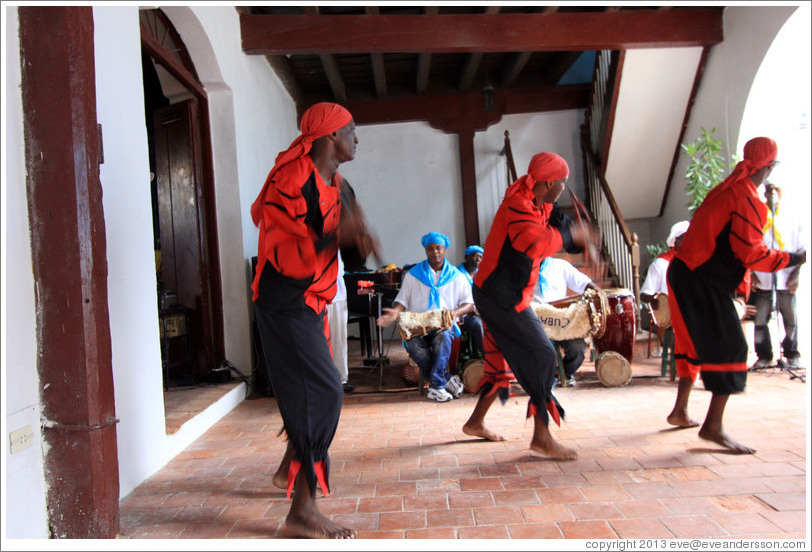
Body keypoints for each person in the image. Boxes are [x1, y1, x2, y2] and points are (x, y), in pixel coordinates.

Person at [250, 102, 376, 539]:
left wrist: (358, 238)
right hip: (284, 300)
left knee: (310, 391)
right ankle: (301, 511)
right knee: (325, 391)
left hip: (314, 301)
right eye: (351, 131)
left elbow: (349, 255)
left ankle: (291, 466)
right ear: (329, 137)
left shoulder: (341, 187)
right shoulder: (290, 181)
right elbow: (288, 258)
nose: (356, 138)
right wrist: (335, 237)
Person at [665, 137, 805, 454]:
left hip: (692, 275)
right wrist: (794, 258)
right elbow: (752, 254)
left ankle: (683, 412)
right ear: (769, 166)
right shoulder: (744, 198)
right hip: (700, 279)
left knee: (704, 344)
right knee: (731, 346)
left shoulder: (732, 189)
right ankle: (712, 427)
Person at [461, 152, 599, 459]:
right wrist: (570, 235)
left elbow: (564, 231)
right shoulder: (517, 206)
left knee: (501, 364)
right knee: (542, 355)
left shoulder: (542, 200)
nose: (565, 187)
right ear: (550, 182)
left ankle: (475, 423)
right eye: (562, 183)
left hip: (504, 294)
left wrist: (581, 237)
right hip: (500, 296)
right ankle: (541, 437)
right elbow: (535, 243)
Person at [376, 232, 474, 402]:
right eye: (430, 249)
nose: (435, 252)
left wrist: (454, 313)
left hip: (444, 325)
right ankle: (444, 380)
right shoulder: (413, 275)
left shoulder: (456, 276)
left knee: (443, 336)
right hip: (418, 326)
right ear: (425, 250)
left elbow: (468, 303)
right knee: (412, 344)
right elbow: (402, 300)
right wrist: (395, 312)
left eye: (438, 248)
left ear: (445, 250)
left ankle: (436, 387)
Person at [750, 183, 805, 370]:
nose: (771, 196)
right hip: (763, 277)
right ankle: (764, 356)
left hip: (786, 277)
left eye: (775, 192)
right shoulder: (757, 217)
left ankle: (791, 354)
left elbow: (803, 250)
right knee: (760, 320)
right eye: (768, 192)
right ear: (764, 195)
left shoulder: (792, 218)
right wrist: (750, 272)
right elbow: (747, 247)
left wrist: (796, 275)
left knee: (790, 319)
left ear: (781, 195)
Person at [532, 256, 599, 386]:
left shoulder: (560, 266)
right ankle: (545, 378)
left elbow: (584, 283)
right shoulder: (522, 268)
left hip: (561, 320)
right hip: (537, 321)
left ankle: (564, 373)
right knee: (542, 351)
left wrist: (598, 293)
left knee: (577, 349)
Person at [640, 221, 690, 352]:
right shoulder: (660, 264)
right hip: (672, 315)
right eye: (687, 238)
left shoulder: (695, 260)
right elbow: (644, 294)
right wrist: (653, 301)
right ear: (676, 241)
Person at [327, 250, 353, 393]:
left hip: (338, 295)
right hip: (315, 297)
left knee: (339, 340)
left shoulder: (337, 239)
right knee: (319, 342)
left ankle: (341, 380)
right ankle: (323, 381)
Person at [457, 245, 485, 357]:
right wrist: (470, 309)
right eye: (474, 256)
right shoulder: (456, 275)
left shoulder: (481, 274)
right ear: (466, 257)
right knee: (477, 324)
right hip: (463, 316)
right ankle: (487, 358)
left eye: (480, 257)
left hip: (478, 312)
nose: (478, 259)